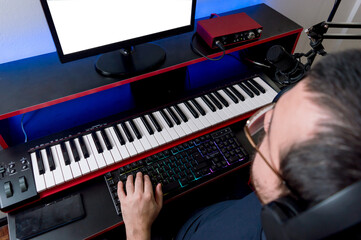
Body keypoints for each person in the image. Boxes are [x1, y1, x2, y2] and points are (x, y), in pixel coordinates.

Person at [117, 49, 361, 240]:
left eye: (271, 131)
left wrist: (137, 228)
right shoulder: (331, 202)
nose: (265, 121)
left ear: (287, 208)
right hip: (228, 209)